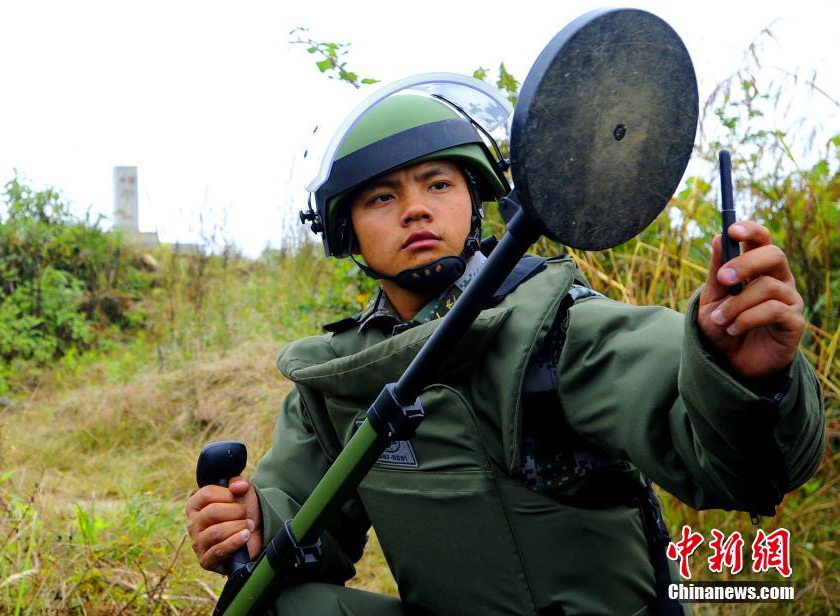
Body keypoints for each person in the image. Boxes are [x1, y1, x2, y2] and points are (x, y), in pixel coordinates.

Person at [185, 79, 825, 615]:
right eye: (382, 197)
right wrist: (250, 522)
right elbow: (304, 521)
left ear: (476, 199)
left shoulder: (559, 329)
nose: (415, 210)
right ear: (344, 231)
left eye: (438, 184)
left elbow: (739, 468)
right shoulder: (340, 377)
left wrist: (743, 377)